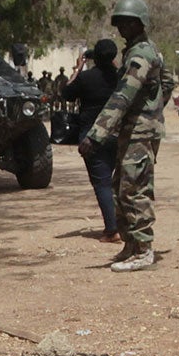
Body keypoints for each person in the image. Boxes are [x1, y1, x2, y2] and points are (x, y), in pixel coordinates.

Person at [81, 0, 168, 270]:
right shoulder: (139, 51)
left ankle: (143, 249)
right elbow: (166, 83)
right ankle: (131, 245)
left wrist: (95, 134)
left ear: (139, 24)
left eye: (127, 22)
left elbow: (123, 95)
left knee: (135, 190)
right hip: (135, 131)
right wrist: (153, 108)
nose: (121, 28)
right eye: (119, 22)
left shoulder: (141, 54)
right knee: (121, 189)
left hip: (140, 133)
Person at [64, 38, 122, 240]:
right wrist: (113, 65)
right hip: (117, 133)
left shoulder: (87, 78)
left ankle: (112, 229)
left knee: (102, 183)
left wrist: (78, 68)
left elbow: (66, 94)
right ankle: (123, 224)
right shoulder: (120, 78)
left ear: (94, 57)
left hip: (91, 136)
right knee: (118, 181)